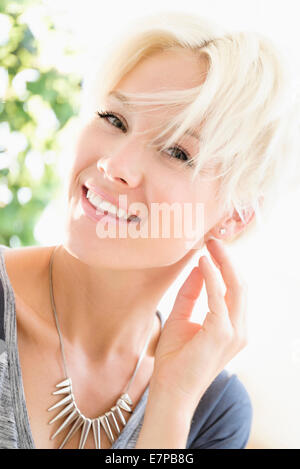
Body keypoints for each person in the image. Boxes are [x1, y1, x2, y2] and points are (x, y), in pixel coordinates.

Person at [0, 11, 298, 450]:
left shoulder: (213, 409)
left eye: (177, 152)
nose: (113, 165)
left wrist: (172, 403)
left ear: (233, 217)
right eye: (114, 119)